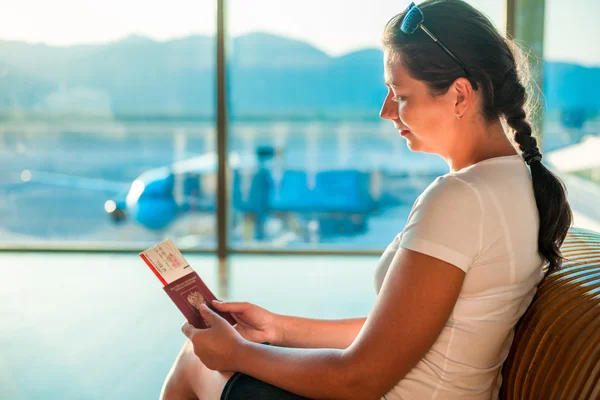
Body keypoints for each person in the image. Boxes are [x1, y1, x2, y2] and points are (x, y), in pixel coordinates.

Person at [160, 1, 573, 399]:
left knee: (196, 363)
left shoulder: (462, 198)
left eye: (400, 94)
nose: (385, 111)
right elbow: (401, 334)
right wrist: (276, 330)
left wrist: (238, 354)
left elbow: (361, 379)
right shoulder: (516, 182)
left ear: (460, 96)